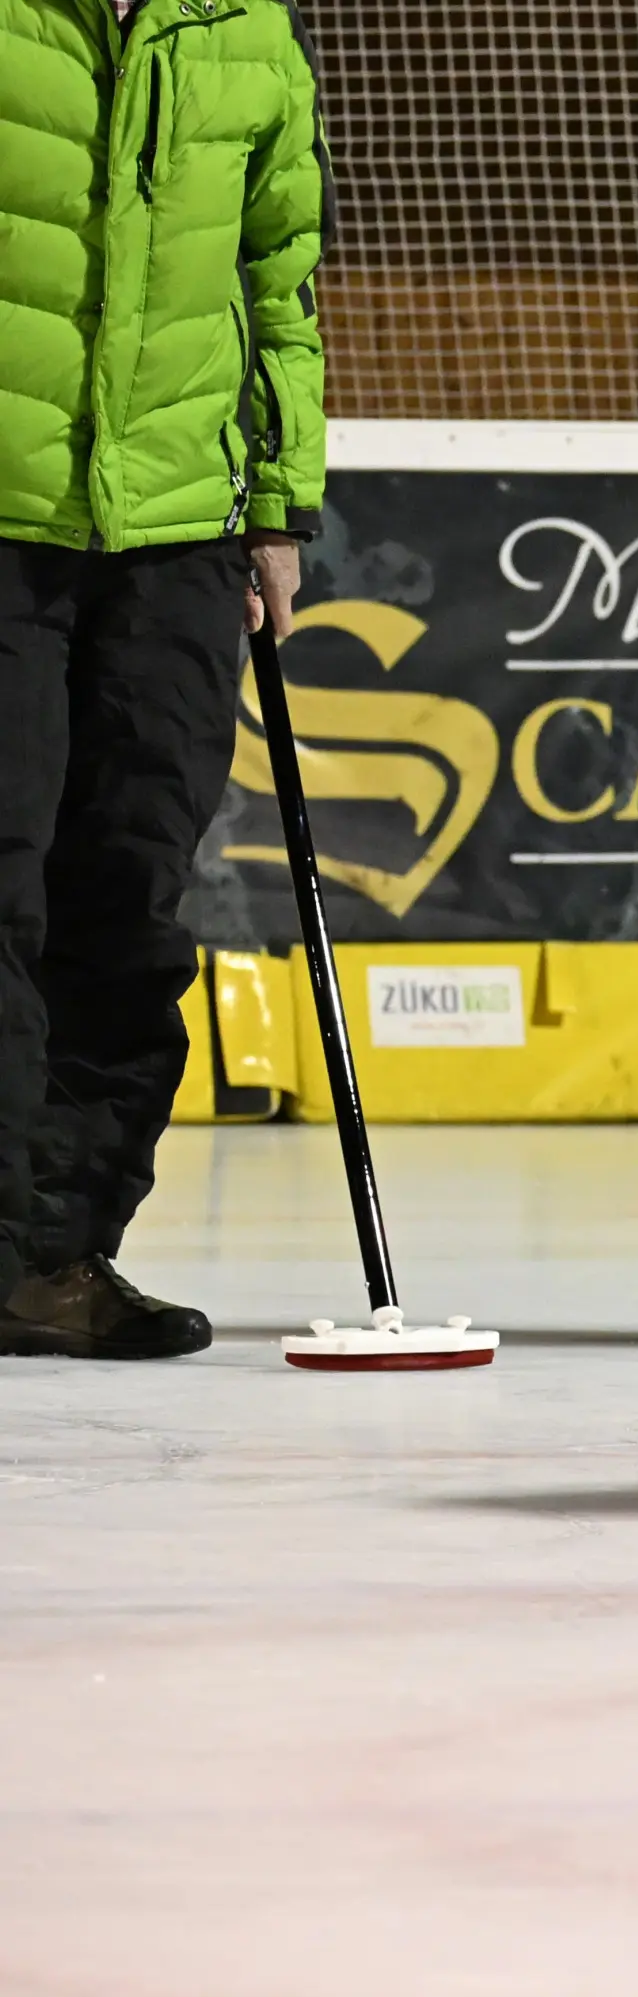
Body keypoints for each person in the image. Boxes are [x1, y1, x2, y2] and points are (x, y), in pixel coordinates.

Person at [0, 0, 328, 1359]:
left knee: (129, 891)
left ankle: (53, 1257)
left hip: (181, 532)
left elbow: (280, 276)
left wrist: (281, 508)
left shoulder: (250, 31)